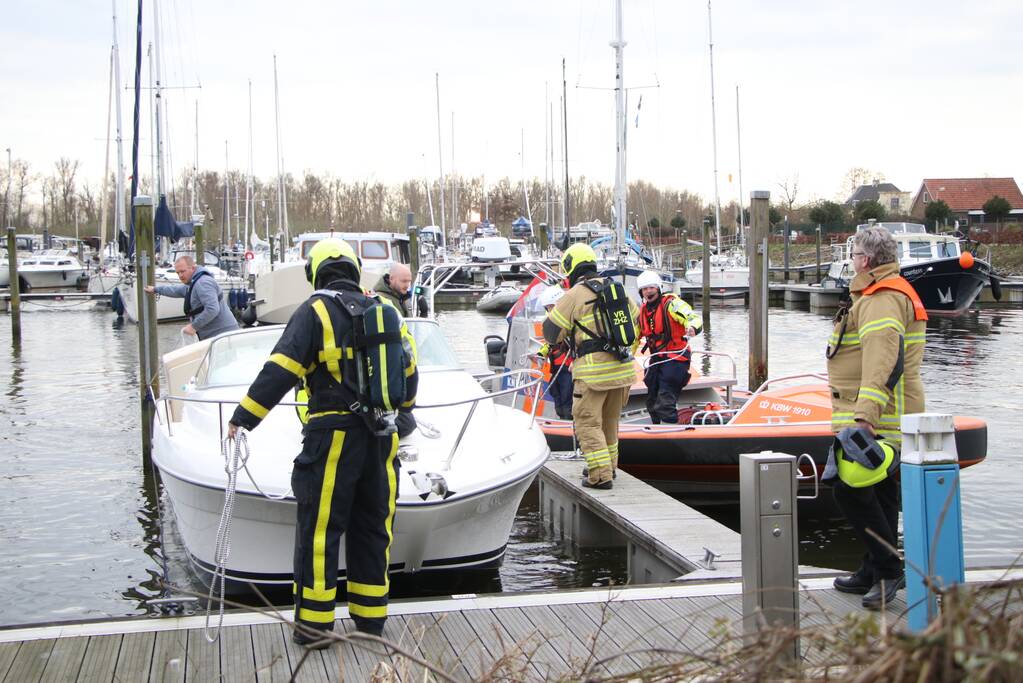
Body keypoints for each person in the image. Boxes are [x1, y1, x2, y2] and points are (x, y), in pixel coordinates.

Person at [227, 238, 419, 647]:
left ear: (315, 273)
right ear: (354, 269)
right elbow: (410, 373)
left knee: (320, 533)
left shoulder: (315, 311)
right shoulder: (386, 311)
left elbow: (281, 368)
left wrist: (244, 417)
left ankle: (314, 628)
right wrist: (400, 416)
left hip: (332, 439)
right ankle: (370, 623)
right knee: (373, 528)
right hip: (383, 439)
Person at [824, 226, 927, 610]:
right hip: (885, 409)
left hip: (879, 413)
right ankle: (872, 567)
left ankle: (887, 567)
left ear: (865, 260)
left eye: (854, 257)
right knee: (880, 492)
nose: (852, 263)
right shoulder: (880, 293)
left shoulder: (882, 298)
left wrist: (864, 417)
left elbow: (883, 361)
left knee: (847, 488)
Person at [542, 243, 639, 489]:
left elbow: (552, 332)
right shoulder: (617, 290)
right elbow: (637, 325)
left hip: (593, 373)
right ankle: (611, 467)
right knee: (609, 422)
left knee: (587, 422)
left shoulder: (575, 294)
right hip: (623, 370)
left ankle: (600, 475)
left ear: (571, 268)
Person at [636, 270, 702, 424]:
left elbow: (693, 318)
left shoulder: (671, 304)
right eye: (645, 289)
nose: (648, 292)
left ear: (658, 288)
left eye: (651, 288)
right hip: (657, 360)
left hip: (676, 358)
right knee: (652, 402)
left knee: (665, 404)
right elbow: (635, 338)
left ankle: (672, 432)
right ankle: (657, 431)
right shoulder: (643, 312)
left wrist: (692, 327)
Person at [144, 254, 238, 339]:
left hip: (223, 335)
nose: (180, 275)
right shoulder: (193, 283)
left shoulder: (203, 282)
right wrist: (156, 289)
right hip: (214, 335)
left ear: (193, 268)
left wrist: (194, 326)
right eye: (178, 273)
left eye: (182, 271)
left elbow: (212, 308)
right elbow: (176, 290)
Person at [537, 285, 573, 420]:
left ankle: (569, 419)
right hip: (557, 368)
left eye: (551, 307)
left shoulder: (570, 322)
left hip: (568, 368)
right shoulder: (551, 325)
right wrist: (541, 354)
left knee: (567, 396)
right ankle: (562, 417)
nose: (549, 310)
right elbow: (549, 344)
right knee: (555, 392)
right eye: (548, 308)